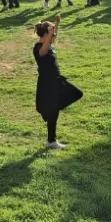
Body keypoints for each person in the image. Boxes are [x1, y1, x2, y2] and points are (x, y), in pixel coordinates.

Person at [34, 15, 82, 150]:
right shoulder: (38, 48)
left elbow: (53, 38)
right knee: (53, 113)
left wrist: (57, 23)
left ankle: (50, 111)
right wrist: (51, 32)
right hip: (47, 85)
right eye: (51, 31)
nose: (53, 33)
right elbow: (43, 51)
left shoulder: (49, 44)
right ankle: (51, 141)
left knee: (77, 93)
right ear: (45, 34)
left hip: (56, 81)